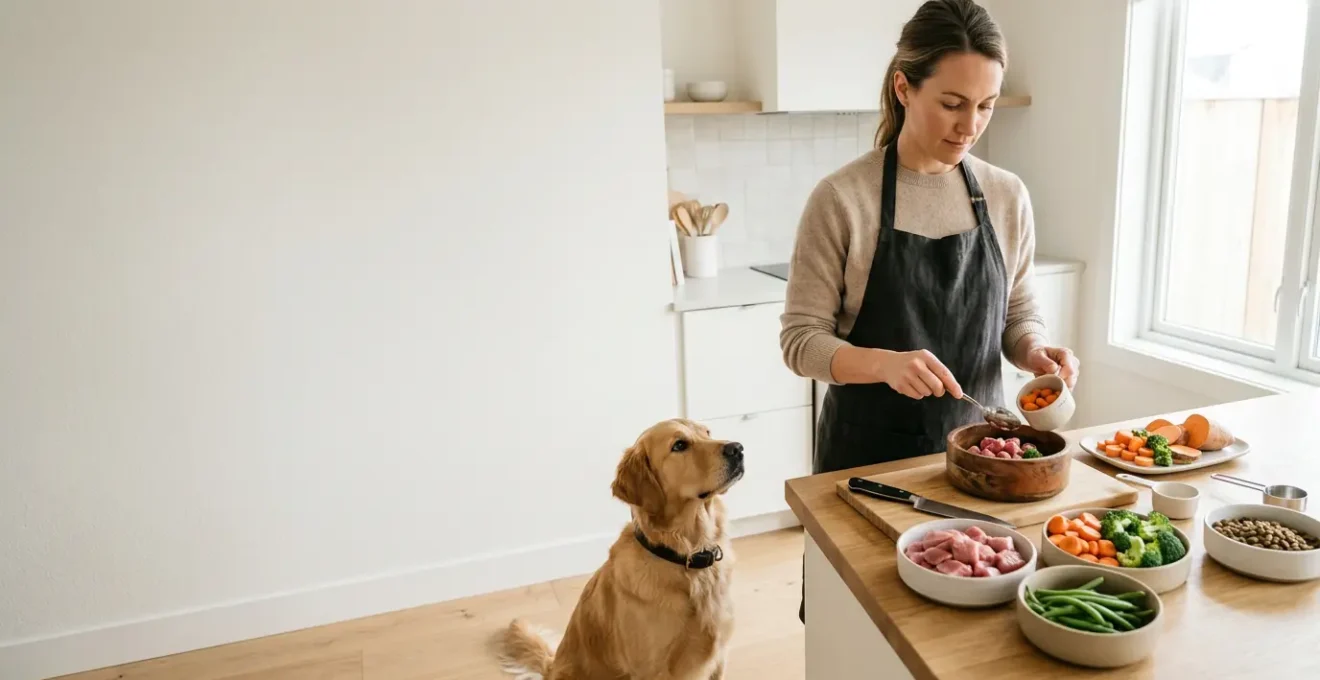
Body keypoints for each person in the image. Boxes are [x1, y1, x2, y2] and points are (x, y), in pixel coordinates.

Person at [783, 0, 1078, 622]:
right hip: (867, 465)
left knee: (965, 632)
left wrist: (1034, 351)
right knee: (856, 625)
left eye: (986, 105)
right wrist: (884, 363)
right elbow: (801, 341)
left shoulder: (1006, 194)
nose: (970, 124)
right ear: (903, 86)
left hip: (983, 462)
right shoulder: (842, 199)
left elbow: (1018, 310)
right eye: (952, 102)